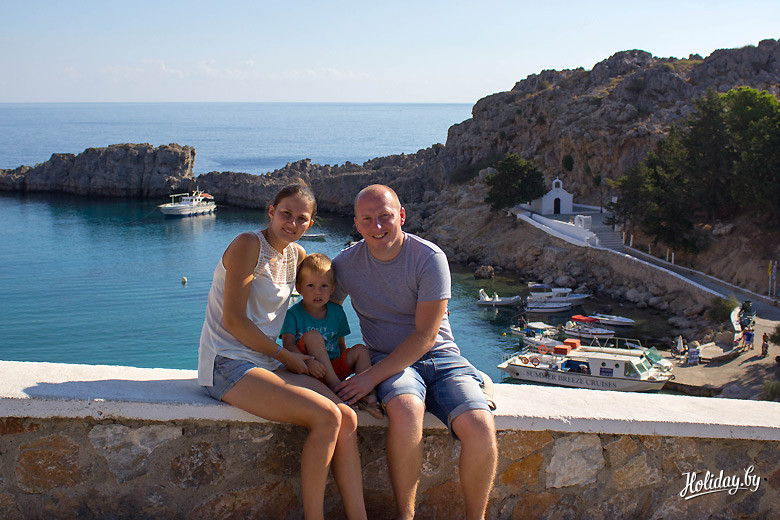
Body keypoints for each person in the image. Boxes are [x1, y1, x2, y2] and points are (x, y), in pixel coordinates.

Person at [197, 184, 367, 520]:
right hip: (227, 363)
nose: (292, 223)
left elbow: (319, 298)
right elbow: (233, 321)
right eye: (286, 213)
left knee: (347, 417)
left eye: (301, 218)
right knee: (328, 417)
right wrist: (286, 356)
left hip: (268, 363)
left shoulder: (296, 255)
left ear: (310, 224)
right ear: (271, 211)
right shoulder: (248, 245)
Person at [332, 184, 497, 520]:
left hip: (441, 358)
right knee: (407, 410)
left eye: (385, 216)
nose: (377, 226)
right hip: (388, 358)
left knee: (480, 426)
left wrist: (368, 379)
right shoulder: (346, 264)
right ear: (357, 224)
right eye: (367, 219)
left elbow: (425, 336)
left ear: (402, 216)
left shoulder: (429, 258)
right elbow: (321, 311)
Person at [280, 253, 383, 419]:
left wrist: (345, 367)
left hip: (333, 369)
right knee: (313, 336)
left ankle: (367, 396)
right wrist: (308, 362)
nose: (317, 292)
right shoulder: (293, 314)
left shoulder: (337, 312)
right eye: (310, 286)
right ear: (299, 288)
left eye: (324, 286)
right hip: (309, 370)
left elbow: (341, 344)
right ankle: (338, 389)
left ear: (333, 288)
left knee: (360, 350)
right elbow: (288, 344)